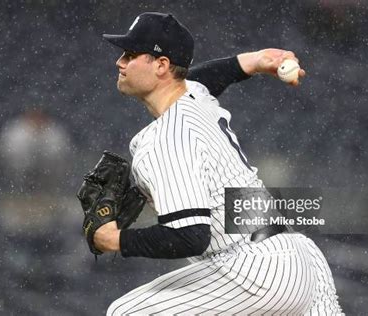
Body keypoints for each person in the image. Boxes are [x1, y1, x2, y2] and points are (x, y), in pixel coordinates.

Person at [96, 12, 343, 314]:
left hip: (254, 273)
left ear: (162, 65)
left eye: (131, 54)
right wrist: (252, 61)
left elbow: (190, 236)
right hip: (299, 258)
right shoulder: (194, 98)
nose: (120, 62)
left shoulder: (164, 139)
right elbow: (204, 79)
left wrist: (116, 240)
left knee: (125, 313)